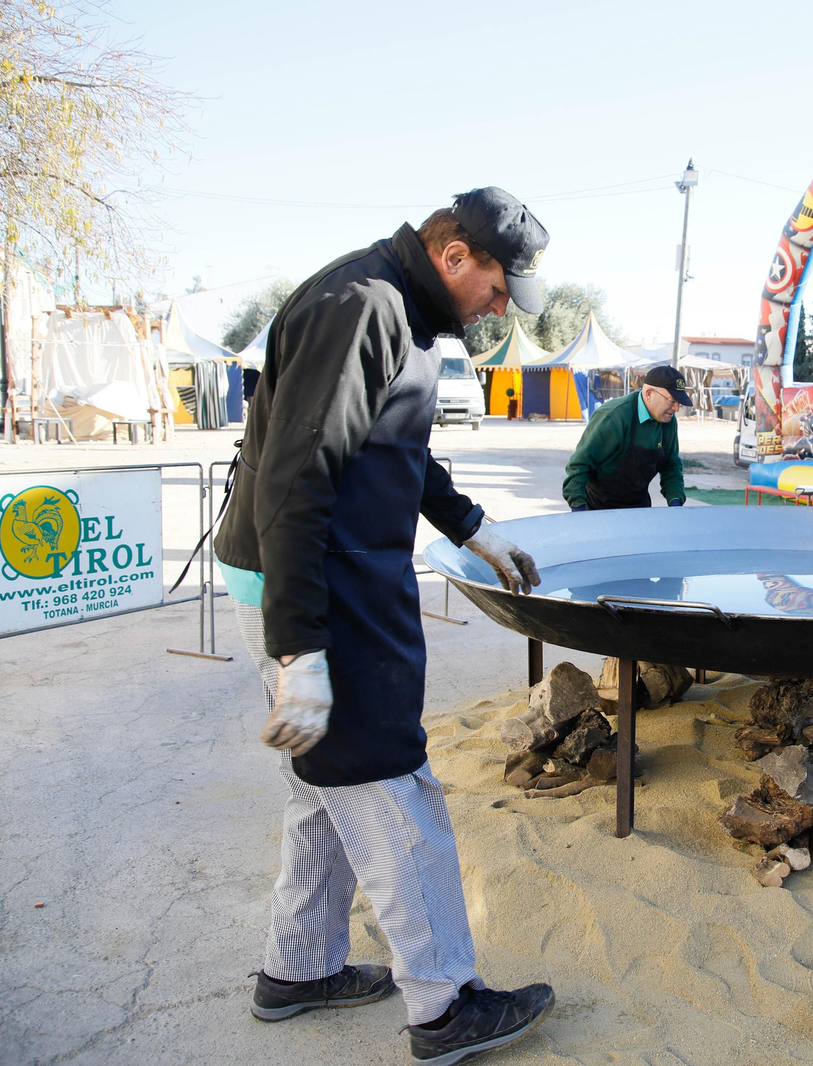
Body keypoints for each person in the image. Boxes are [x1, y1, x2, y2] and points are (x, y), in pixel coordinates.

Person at [213, 187, 555, 1063]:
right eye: (496, 289)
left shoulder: (403, 311)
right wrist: (301, 648)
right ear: (454, 255)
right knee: (390, 785)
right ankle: (445, 1005)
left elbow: (393, 443)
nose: (498, 309)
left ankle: (299, 970)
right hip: (315, 586)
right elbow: (297, 478)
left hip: (331, 574)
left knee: (324, 790)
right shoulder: (361, 306)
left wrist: (470, 525)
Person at [562, 364, 691, 510]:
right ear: (649, 394)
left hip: (639, 507)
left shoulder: (668, 421)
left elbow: (671, 465)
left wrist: (675, 502)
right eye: (672, 401)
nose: (676, 408)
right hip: (598, 507)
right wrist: (578, 507)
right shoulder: (614, 416)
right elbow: (580, 465)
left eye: (679, 403)